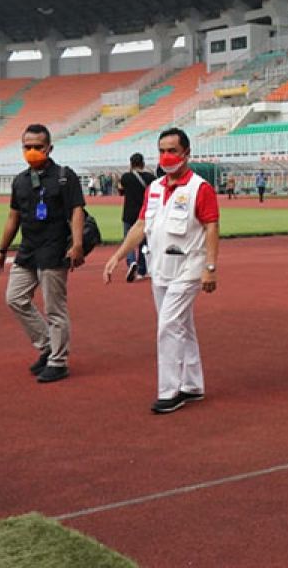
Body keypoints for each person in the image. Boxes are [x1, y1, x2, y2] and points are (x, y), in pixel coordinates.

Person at [104, 128, 220, 414]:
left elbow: (212, 227)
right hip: (160, 268)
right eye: (162, 150)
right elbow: (141, 225)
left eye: (173, 151)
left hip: (188, 267)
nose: (167, 156)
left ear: (186, 154)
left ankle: (170, 390)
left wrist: (210, 267)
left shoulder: (200, 188)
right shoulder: (154, 188)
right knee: (183, 325)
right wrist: (119, 255)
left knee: (168, 325)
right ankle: (193, 384)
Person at [0, 123, 86, 384]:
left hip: (55, 248)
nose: (32, 151)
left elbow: (76, 210)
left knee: (55, 308)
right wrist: (1, 250)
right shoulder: (20, 181)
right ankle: (47, 344)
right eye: (27, 146)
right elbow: (13, 217)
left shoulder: (65, 176)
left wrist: (76, 244)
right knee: (15, 298)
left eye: (38, 147)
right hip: (28, 249)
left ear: (49, 148)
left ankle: (58, 361)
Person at [120, 153, 156, 282]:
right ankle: (141, 269)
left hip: (128, 213)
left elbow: (120, 190)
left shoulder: (126, 177)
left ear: (131, 164)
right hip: (144, 214)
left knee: (128, 240)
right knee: (143, 242)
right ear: (143, 163)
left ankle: (131, 262)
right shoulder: (150, 178)